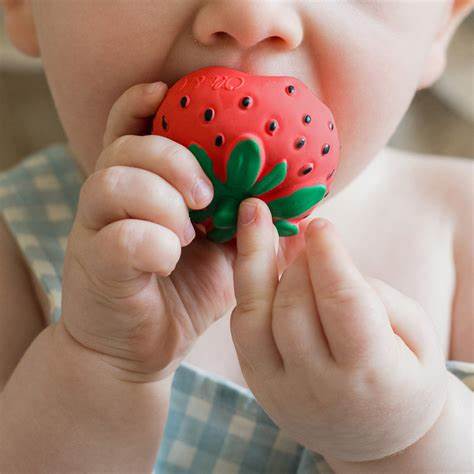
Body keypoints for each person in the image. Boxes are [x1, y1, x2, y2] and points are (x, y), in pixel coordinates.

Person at [0, 1, 473, 472]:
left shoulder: (460, 236)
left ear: (442, 24)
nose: (251, 16)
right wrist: (101, 361)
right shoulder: (14, 250)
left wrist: (411, 436)